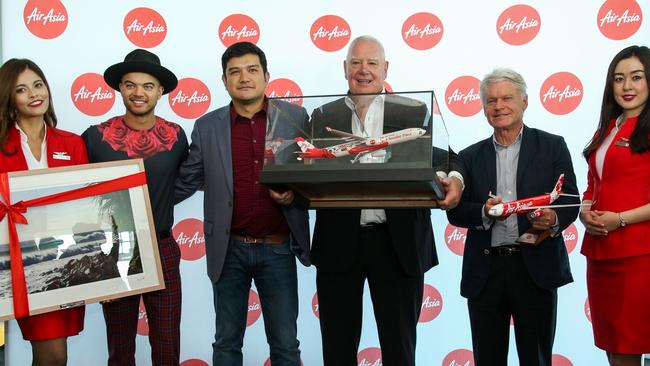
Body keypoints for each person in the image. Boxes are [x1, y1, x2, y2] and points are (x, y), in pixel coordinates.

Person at [310, 35, 464, 366]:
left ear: (385, 69)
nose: (363, 70)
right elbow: (303, 167)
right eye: (355, 62)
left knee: (400, 348)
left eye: (371, 63)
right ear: (344, 68)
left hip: (398, 245)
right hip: (339, 244)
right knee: (336, 348)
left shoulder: (413, 111)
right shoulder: (323, 114)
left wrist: (456, 179)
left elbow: (447, 159)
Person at [174, 41, 310, 366]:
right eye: (234, 72)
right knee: (226, 344)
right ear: (224, 81)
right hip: (228, 250)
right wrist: (135, 194)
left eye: (251, 70)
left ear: (266, 75)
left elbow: (313, 178)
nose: (243, 77)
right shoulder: (207, 127)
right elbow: (186, 180)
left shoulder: (295, 118)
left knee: (286, 346)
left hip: (278, 248)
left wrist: (295, 194)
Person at [446, 68, 579, 365]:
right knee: (487, 359)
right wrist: (483, 211)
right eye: (491, 101)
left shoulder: (552, 145)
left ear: (525, 102)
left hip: (536, 268)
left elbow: (569, 199)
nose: (499, 106)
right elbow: (455, 212)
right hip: (486, 270)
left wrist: (552, 219)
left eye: (507, 98)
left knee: (537, 359)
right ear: (483, 109)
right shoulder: (468, 157)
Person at [82, 49, 188, 366]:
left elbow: (186, 179)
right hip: (115, 251)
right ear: (120, 88)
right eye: (130, 85)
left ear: (160, 91)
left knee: (168, 348)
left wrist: (162, 199)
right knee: (120, 350)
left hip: (162, 247)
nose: (138, 93)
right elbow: (75, 194)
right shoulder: (95, 137)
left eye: (147, 86)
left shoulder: (177, 136)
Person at [0, 58, 87, 366]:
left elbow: (85, 207)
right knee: (52, 355)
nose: (34, 94)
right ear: (10, 97)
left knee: (53, 354)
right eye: (22, 89)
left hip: (62, 263)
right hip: (14, 265)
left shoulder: (73, 144)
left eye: (38, 84)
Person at [580, 45, 650, 366]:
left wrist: (620, 219)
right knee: (613, 347)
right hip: (601, 254)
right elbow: (594, 184)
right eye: (619, 79)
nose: (627, 87)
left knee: (628, 346)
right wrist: (584, 209)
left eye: (636, 77)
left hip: (639, 257)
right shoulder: (609, 126)